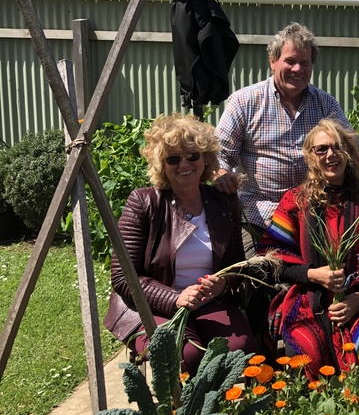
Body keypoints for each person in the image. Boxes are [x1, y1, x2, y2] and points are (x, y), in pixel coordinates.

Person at [103, 114, 256, 376]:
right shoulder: (144, 203)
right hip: (153, 305)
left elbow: (236, 263)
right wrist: (175, 298)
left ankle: (219, 401)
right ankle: (184, 401)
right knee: (185, 354)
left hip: (208, 302)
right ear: (161, 163)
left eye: (193, 156)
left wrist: (223, 284)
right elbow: (122, 277)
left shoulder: (223, 202)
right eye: (173, 159)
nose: (184, 164)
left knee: (240, 350)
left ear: (205, 159)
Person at [214, 22, 359, 251]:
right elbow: (219, 155)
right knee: (260, 270)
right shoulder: (244, 102)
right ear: (273, 61)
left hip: (316, 217)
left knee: (342, 266)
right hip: (261, 219)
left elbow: (353, 150)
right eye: (290, 61)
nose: (297, 69)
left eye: (305, 63)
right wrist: (221, 173)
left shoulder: (325, 104)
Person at [257, 119, 359, 377]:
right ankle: (315, 402)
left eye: (337, 146)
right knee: (305, 348)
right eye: (321, 149)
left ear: (348, 152)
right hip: (309, 299)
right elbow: (270, 259)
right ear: (310, 157)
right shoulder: (295, 201)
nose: (331, 154)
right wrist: (313, 274)